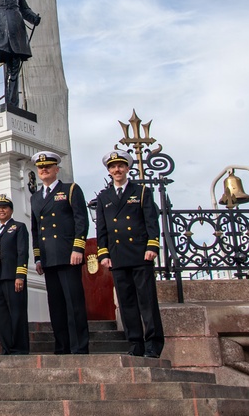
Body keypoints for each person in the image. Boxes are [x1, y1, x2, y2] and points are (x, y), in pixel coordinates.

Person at [95, 149, 165, 358]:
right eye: (113, 167)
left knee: (147, 301)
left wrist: (152, 246)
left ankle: (153, 343)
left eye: (121, 166)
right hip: (117, 256)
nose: (117, 170)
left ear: (127, 168)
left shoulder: (141, 191)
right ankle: (135, 342)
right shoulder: (104, 197)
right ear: (109, 170)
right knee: (126, 303)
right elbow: (102, 229)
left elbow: (151, 221)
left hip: (140, 254)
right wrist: (103, 253)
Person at [30, 151, 89, 355]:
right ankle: (62, 345)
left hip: (68, 255)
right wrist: (38, 257)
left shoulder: (70, 189)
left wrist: (77, 248)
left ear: (56, 169)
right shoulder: (36, 197)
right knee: (56, 305)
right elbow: (35, 229)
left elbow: (81, 220)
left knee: (74, 303)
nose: (44, 169)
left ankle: (79, 346)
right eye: (40, 167)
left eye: (48, 166)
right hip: (48, 258)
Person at [0, 194, 30, 355]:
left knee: (17, 313)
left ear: (11, 209)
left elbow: (22, 252)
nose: (1, 210)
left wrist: (20, 276)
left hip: (13, 277)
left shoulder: (18, 227)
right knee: (2, 315)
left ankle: (20, 347)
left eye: (4, 207)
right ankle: (7, 346)